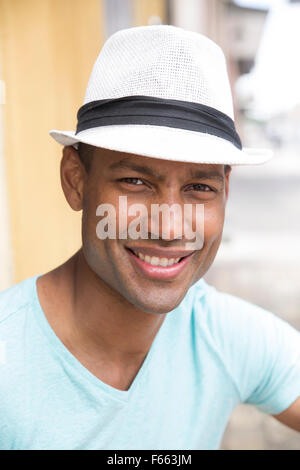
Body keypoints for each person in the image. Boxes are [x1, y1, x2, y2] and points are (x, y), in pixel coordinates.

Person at [0, 25, 299, 451]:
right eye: (135, 180)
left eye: (200, 188)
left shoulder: (220, 334)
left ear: (225, 193)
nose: (171, 227)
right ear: (75, 180)